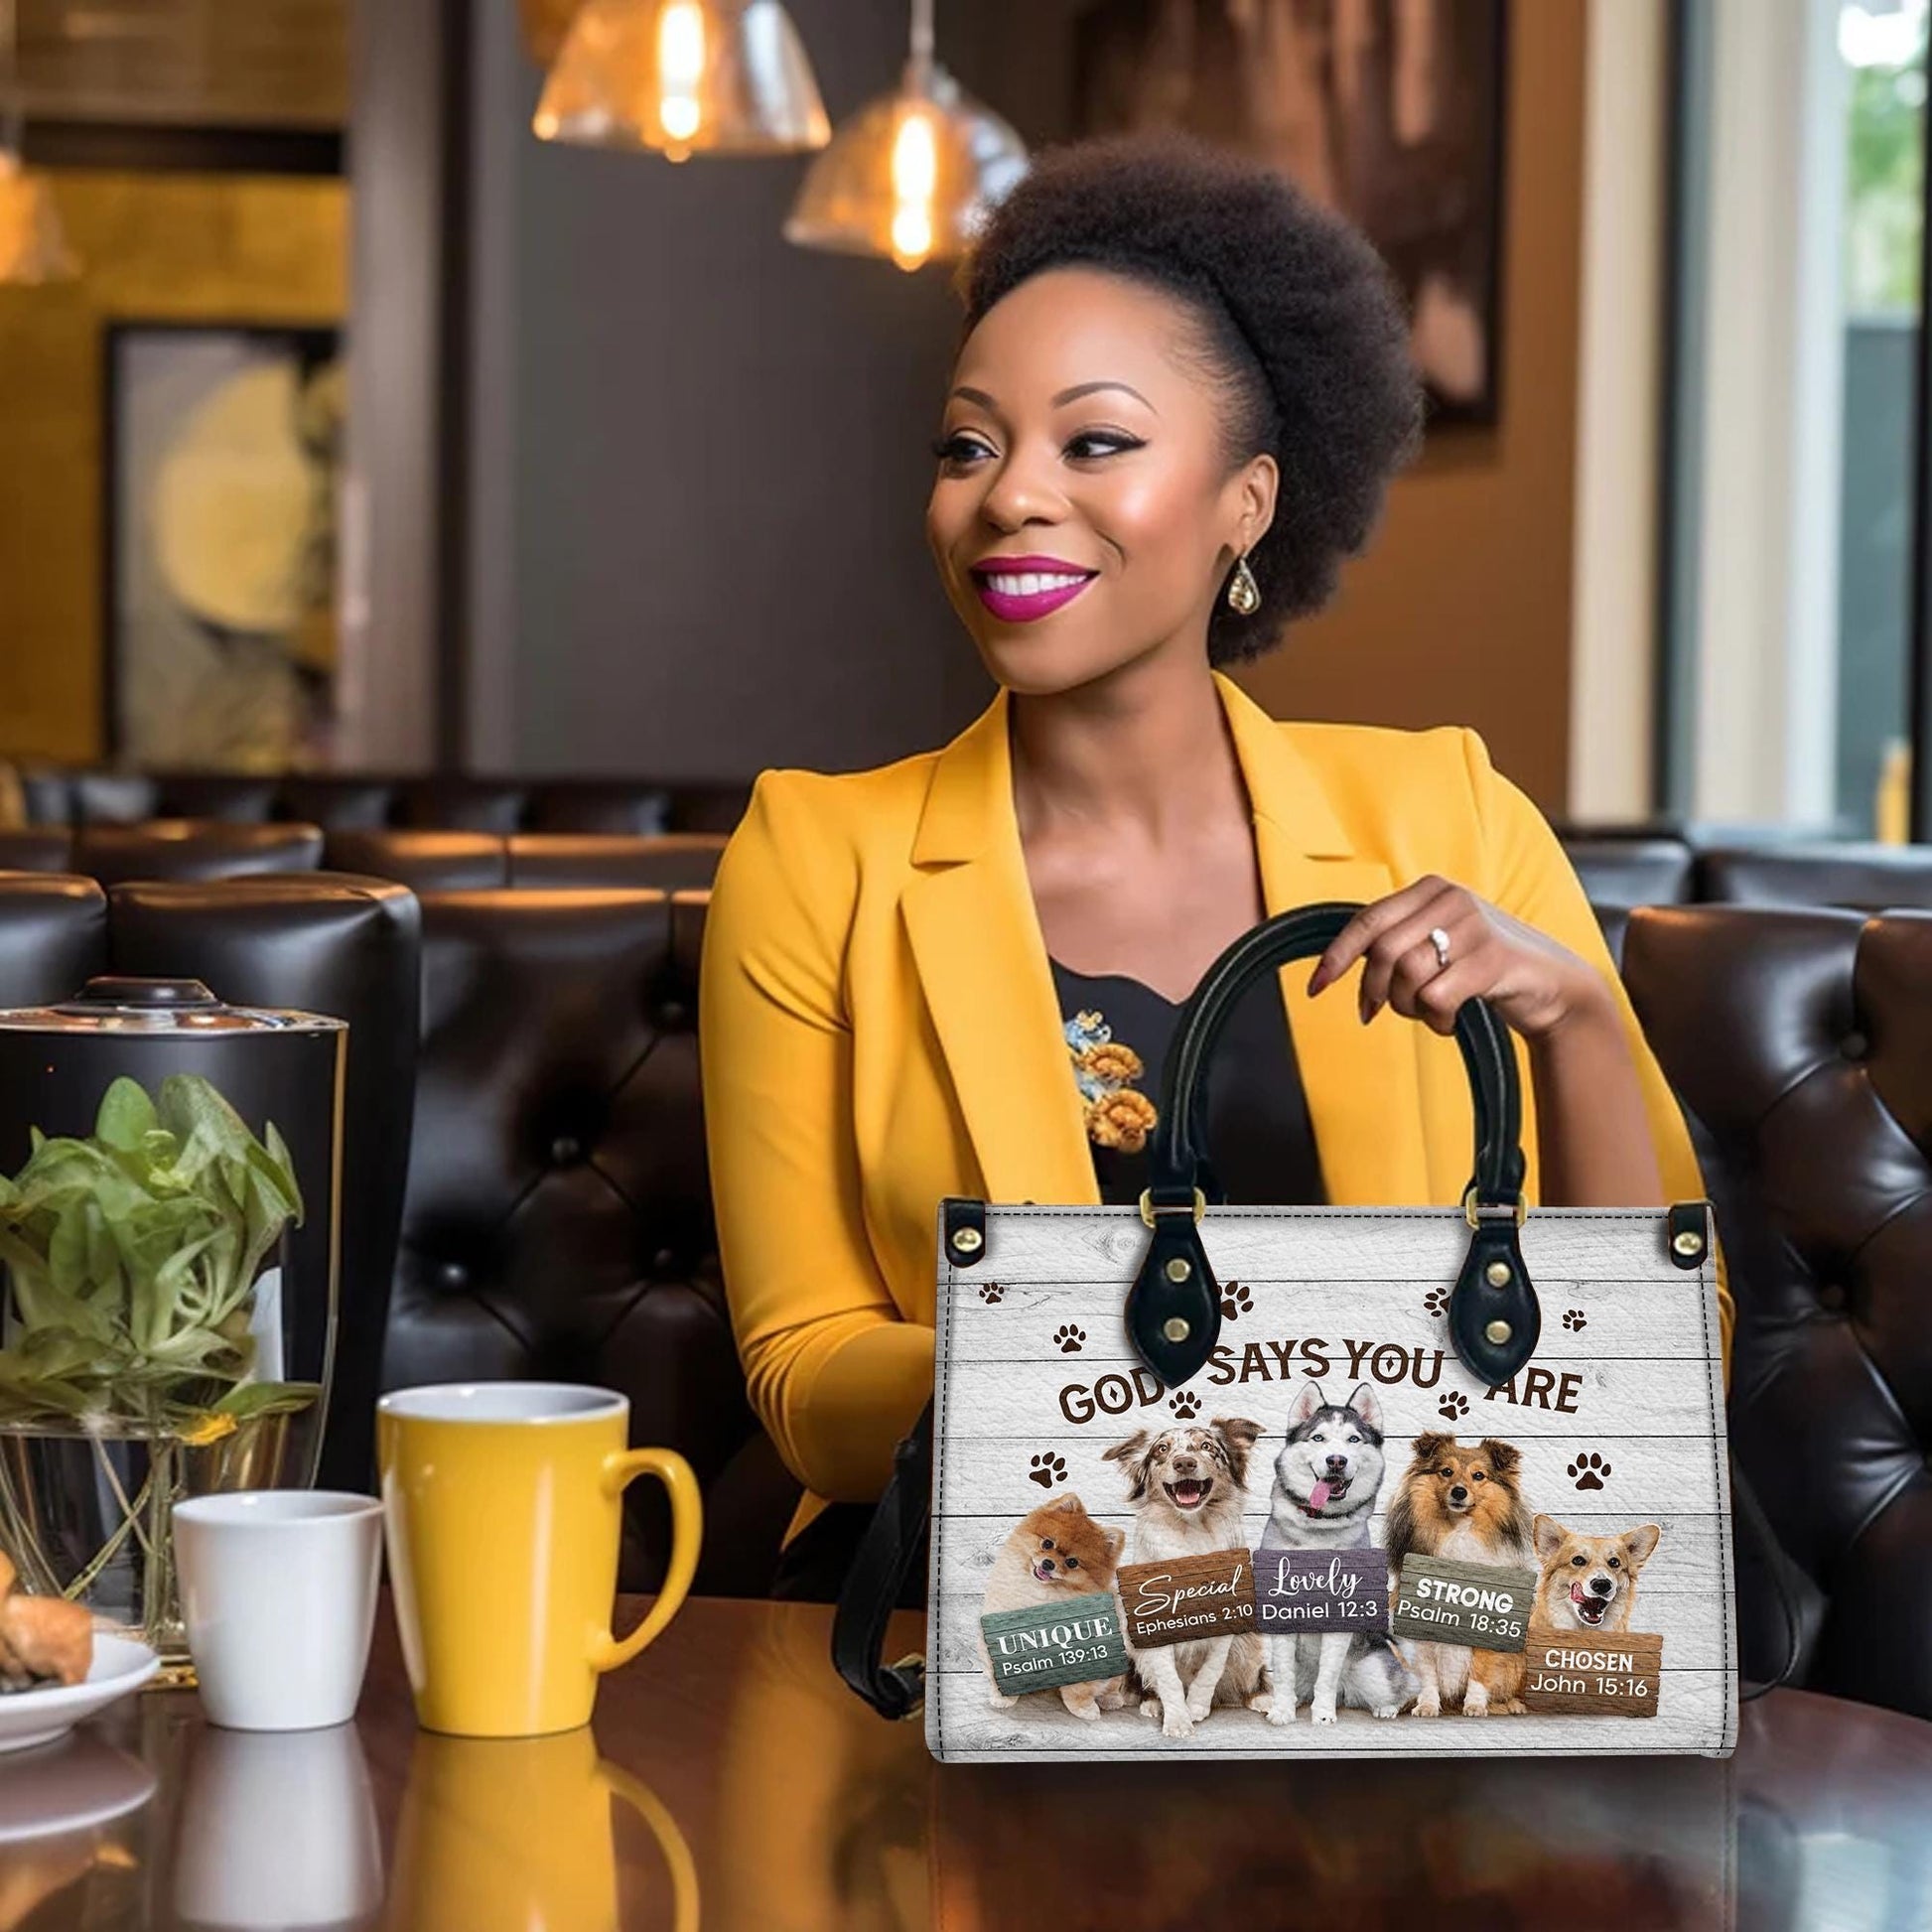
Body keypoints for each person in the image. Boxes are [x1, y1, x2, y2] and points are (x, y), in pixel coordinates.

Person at [699, 135, 1728, 1603]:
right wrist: (1190, 1385)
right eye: (968, 446)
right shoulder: (818, 858)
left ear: (1246, 502)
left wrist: (1569, 1023)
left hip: (1411, 1637)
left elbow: (1664, 1360)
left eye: (1093, 443)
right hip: (996, 1624)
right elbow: (803, 1379)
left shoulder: (1448, 810)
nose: (1008, 496)